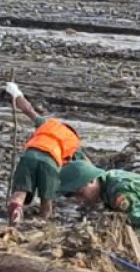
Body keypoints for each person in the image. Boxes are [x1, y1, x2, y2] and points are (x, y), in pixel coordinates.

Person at [5, 83, 84, 224]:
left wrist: (16, 93)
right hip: (50, 163)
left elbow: (28, 109)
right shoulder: (74, 142)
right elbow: (84, 167)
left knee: (19, 193)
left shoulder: (49, 124)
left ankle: (16, 211)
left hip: (29, 156)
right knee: (46, 202)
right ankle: (43, 222)